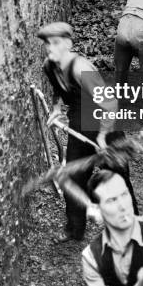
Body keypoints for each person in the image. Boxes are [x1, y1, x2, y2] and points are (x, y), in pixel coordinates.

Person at [38, 22, 115, 242]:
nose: (49, 48)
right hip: (79, 121)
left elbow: (110, 103)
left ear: (68, 45)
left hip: (103, 122)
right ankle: (74, 229)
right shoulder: (49, 66)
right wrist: (55, 108)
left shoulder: (82, 68)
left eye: (55, 43)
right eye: (47, 44)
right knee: (72, 177)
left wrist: (102, 137)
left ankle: (134, 223)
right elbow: (56, 89)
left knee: (117, 173)